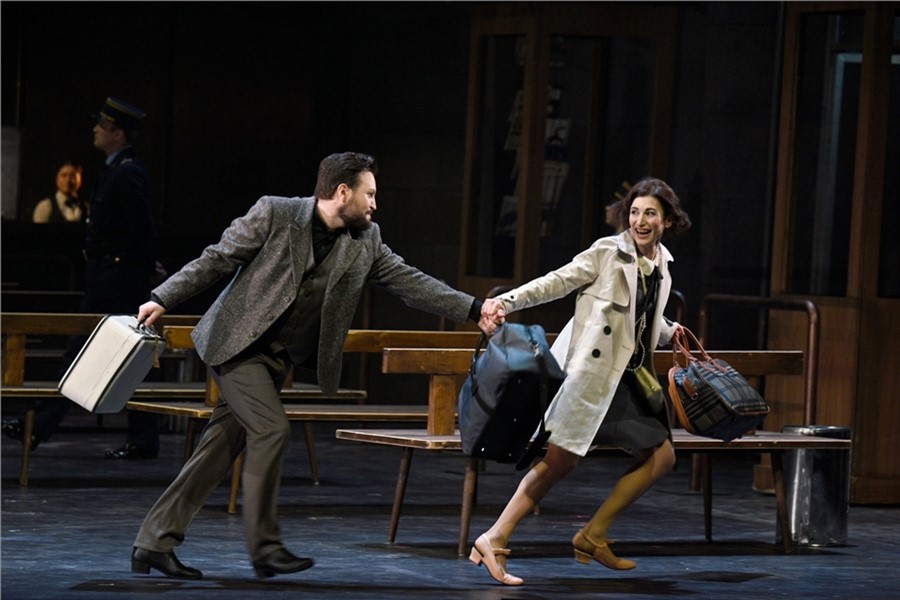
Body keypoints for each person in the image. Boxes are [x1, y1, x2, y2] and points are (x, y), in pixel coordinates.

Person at [130, 152, 490, 581]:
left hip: (275, 360)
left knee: (219, 448)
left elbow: (412, 282)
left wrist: (474, 309)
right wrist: (164, 296)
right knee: (271, 429)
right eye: (370, 194)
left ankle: (153, 542)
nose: (375, 204)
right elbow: (218, 258)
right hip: (234, 345)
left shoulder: (365, 240)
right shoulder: (276, 213)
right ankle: (265, 548)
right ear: (343, 192)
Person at [471, 177, 691, 586]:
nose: (640, 221)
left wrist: (669, 330)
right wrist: (506, 301)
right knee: (561, 461)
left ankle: (591, 535)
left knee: (659, 457)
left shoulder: (661, 265)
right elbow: (557, 281)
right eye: (635, 212)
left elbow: (641, 314)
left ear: (668, 221)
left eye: (650, 214)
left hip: (628, 380)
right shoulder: (607, 252)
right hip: (593, 379)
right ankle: (496, 537)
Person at [2, 97, 163, 458]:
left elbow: (142, 228)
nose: (95, 130)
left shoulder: (127, 172)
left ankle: (36, 426)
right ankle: (139, 438)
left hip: (118, 280)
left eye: (102, 126)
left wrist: (146, 267)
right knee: (105, 356)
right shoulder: (114, 168)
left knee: (90, 354)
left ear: (118, 133)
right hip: (110, 276)